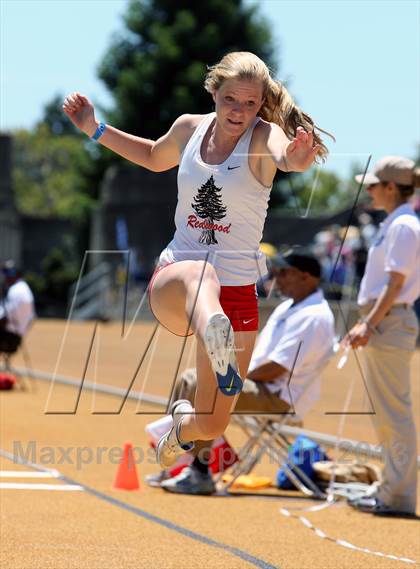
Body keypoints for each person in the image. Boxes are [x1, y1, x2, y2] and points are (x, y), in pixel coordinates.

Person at [63, 51, 331, 471]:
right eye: (230, 100)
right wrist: (94, 129)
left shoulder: (263, 137)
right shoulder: (189, 128)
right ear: (214, 92)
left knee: (210, 423)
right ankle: (213, 331)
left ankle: (178, 431)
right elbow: (153, 155)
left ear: (262, 103)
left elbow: (286, 157)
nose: (239, 111)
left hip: (237, 295)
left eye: (249, 103)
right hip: (178, 278)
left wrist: (299, 157)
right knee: (202, 273)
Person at [149, 250, 335, 495]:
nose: (277, 278)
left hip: (277, 396)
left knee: (199, 383)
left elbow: (276, 368)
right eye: (276, 272)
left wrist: (235, 373)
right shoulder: (290, 308)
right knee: (192, 378)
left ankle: (198, 470)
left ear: (307, 277)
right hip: (262, 385)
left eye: (284, 272)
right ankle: (184, 455)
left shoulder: (314, 316)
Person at [344, 156, 420, 517]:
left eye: (374, 185)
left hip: (389, 321)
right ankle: (391, 489)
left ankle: (398, 496)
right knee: (389, 414)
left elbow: (396, 282)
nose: (369, 190)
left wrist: (369, 323)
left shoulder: (403, 225)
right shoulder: (398, 223)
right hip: (388, 321)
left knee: (394, 414)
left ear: (391, 187)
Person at [0, 261, 35, 355]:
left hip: (8, 338)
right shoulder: (24, 288)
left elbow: (3, 319)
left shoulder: (15, 290)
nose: (5, 278)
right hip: (17, 337)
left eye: (7, 274)